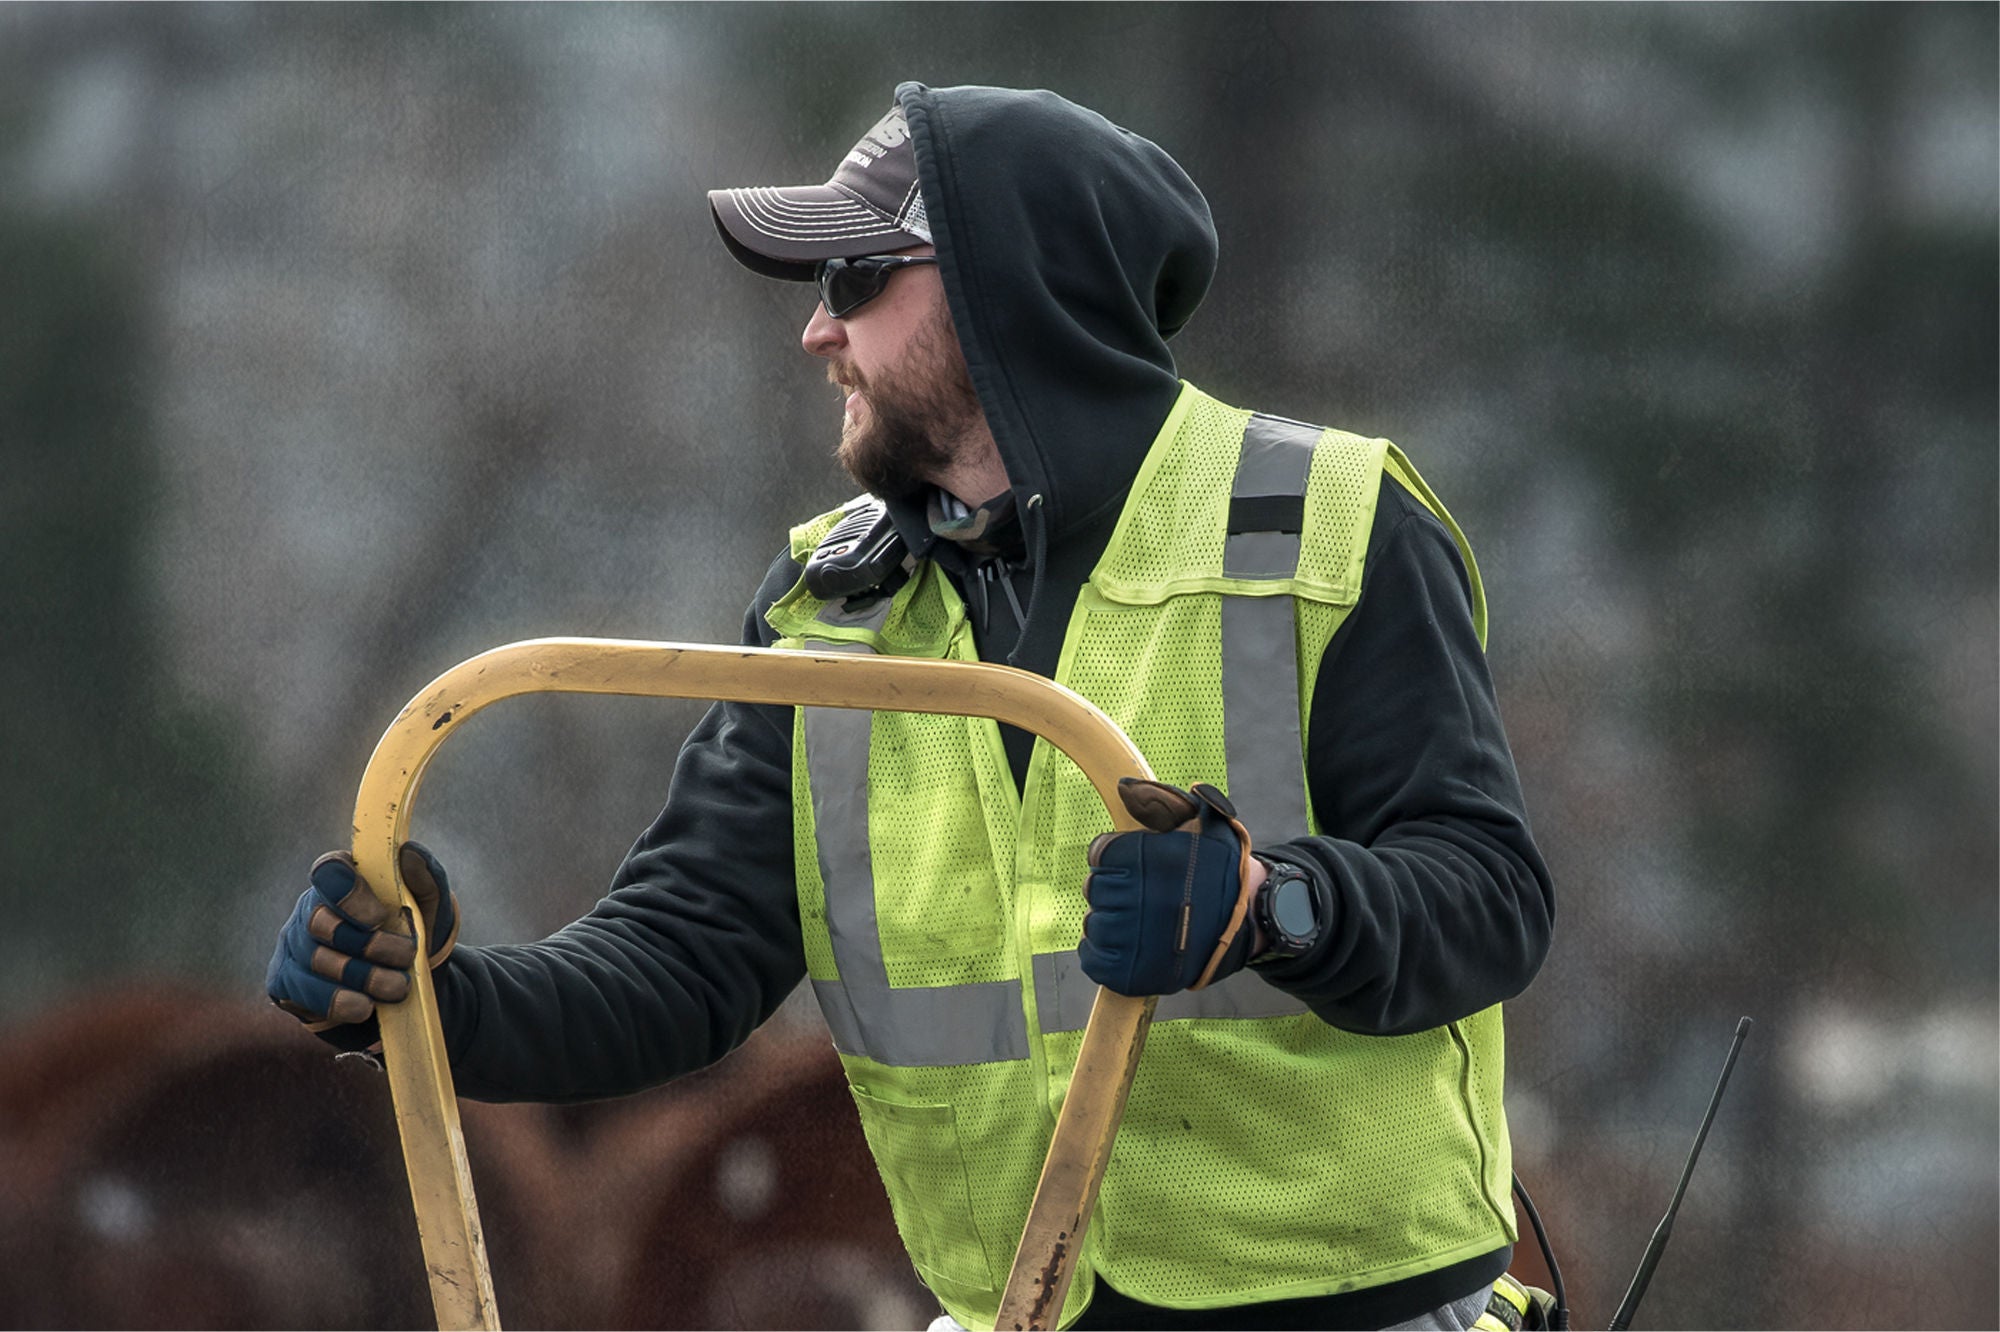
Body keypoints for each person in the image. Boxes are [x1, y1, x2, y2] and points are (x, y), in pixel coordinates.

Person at [268, 83, 1554, 1332]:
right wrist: (421, 1001)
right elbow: (680, 960)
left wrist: (1267, 906)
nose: (815, 333)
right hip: (1015, 1310)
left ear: (1007, 291)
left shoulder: (1330, 525)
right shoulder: (830, 606)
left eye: (852, 281)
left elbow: (1490, 898)